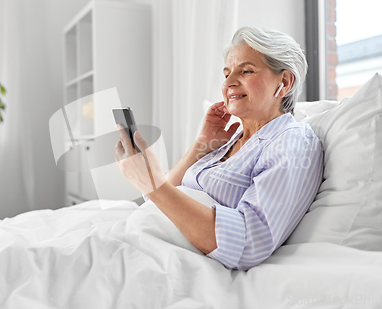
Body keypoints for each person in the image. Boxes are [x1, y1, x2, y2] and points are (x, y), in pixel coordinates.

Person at [114, 26, 324, 271]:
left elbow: (247, 243)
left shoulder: (293, 142)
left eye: (245, 71)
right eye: (226, 74)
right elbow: (162, 198)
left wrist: (152, 184)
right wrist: (202, 145)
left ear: (284, 82)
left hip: (166, 262)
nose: (230, 83)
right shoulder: (229, 140)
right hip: (139, 239)